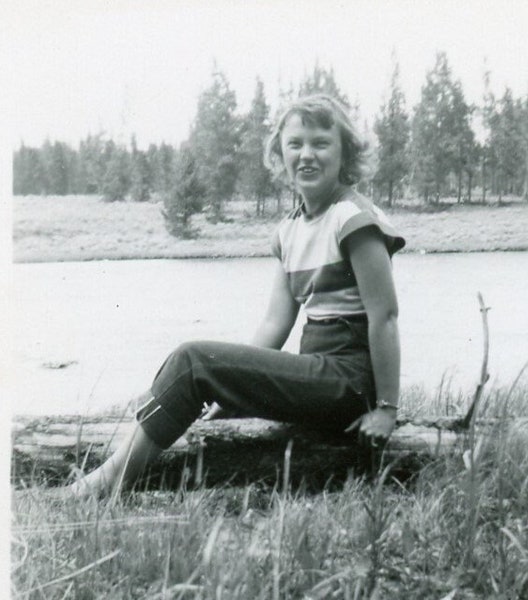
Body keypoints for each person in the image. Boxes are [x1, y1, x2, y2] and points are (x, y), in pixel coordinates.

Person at [68, 93, 406, 498]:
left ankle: (110, 481)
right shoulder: (290, 230)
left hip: (349, 383)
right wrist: (230, 387)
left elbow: (385, 317)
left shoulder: (353, 219)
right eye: (295, 144)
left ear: (345, 152)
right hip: (320, 372)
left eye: (321, 143)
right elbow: (275, 322)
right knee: (200, 369)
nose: (307, 155)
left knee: (193, 360)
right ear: (280, 155)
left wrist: (387, 408)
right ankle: (116, 469)